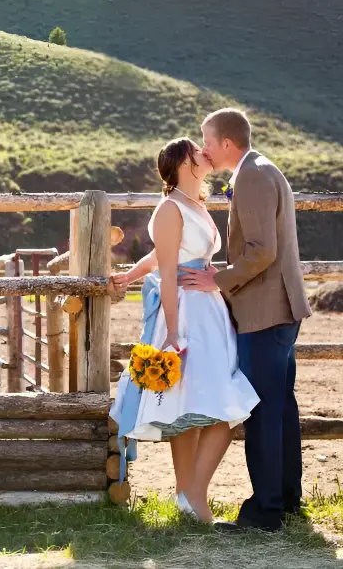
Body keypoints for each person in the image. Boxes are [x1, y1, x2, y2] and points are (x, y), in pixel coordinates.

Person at [109, 136, 259, 524]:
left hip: (210, 312)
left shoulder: (196, 204)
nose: (205, 153)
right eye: (197, 150)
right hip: (186, 314)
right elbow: (169, 270)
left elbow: (162, 253)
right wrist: (173, 332)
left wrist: (129, 273)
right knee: (210, 405)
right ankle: (190, 496)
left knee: (202, 404)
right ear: (182, 163)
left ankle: (189, 497)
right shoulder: (170, 209)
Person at [180, 107, 312, 533]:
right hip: (280, 311)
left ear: (227, 144)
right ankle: (287, 501)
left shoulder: (253, 175)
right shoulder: (261, 168)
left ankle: (265, 512)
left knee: (263, 411)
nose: (204, 148)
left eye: (207, 140)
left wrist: (217, 280)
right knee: (280, 408)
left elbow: (260, 251)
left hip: (265, 312)